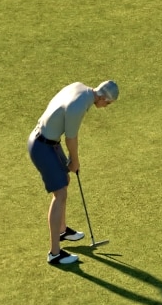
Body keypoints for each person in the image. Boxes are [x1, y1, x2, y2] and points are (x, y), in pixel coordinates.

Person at [30, 76, 118, 265]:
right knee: (59, 193)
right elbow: (71, 139)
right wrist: (75, 161)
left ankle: (62, 231)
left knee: (65, 181)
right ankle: (55, 254)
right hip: (42, 146)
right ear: (102, 98)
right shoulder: (79, 106)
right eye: (108, 104)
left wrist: (70, 161)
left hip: (49, 142)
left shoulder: (81, 88)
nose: (107, 107)